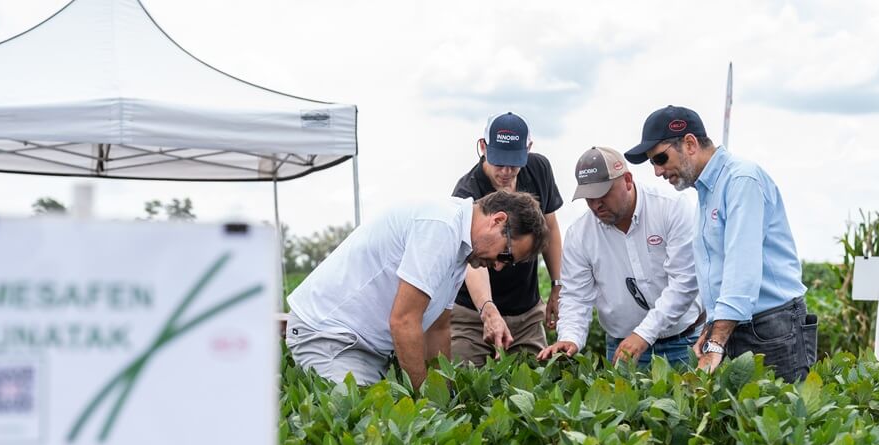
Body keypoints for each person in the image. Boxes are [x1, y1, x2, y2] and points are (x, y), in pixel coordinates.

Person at [625, 105, 817, 382]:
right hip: (738, 326)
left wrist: (716, 343)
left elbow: (742, 271)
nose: (657, 171)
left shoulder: (741, 180)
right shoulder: (706, 192)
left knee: (781, 418)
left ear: (690, 143)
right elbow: (718, 273)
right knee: (745, 421)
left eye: (660, 158)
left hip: (772, 328)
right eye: (653, 163)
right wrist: (712, 327)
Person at [285, 191, 549, 389]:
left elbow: (438, 328)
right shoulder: (441, 226)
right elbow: (403, 321)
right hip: (331, 338)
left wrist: (443, 392)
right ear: (497, 220)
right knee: (366, 422)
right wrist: (424, 400)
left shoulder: (461, 249)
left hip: (368, 349)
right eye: (506, 255)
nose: (500, 268)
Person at [538, 146, 703, 366]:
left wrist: (644, 334)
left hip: (684, 341)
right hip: (623, 347)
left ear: (627, 180)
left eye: (602, 194)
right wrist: (570, 337)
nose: (596, 204)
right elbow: (576, 296)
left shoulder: (671, 208)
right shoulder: (580, 234)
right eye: (588, 198)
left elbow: (684, 283)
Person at [450, 112, 564, 366]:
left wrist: (557, 284)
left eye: (514, 163)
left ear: (528, 149)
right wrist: (488, 311)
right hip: (472, 313)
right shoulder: (467, 192)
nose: (506, 171)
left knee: (535, 386)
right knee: (463, 387)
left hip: (525, 312)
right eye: (499, 161)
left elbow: (550, 227)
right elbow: (471, 260)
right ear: (483, 147)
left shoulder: (539, 169)